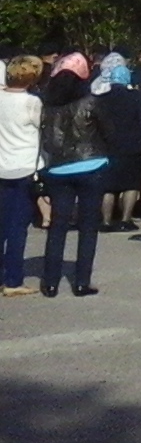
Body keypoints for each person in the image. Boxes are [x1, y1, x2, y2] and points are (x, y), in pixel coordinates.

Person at [39, 53, 111, 295]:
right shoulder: (92, 101)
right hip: (91, 164)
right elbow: (107, 131)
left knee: (58, 225)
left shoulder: (47, 106)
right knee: (88, 226)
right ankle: (81, 281)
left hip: (58, 167)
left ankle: (50, 282)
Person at [90, 54, 141, 231]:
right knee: (131, 183)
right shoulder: (136, 97)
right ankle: (126, 219)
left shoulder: (101, 99)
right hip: (131, 145)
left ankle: (106, 221)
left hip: (106, 145)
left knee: (107, 185)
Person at [2, 55, 44, 297]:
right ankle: (14, 280)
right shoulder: (32, 103)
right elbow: (42, 128)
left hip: (1, 164)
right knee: (18, 226)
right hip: (24, 166)